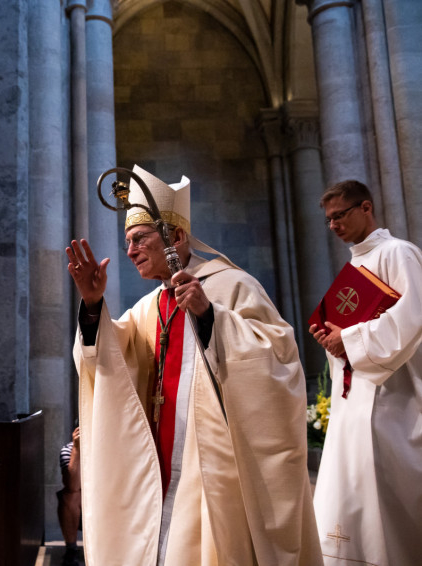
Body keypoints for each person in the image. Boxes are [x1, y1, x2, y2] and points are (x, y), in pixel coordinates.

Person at [65, 165, 320, 565]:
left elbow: (278, 358)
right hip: (158, 457)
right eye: (127, 241)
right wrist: (94, 305)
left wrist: (210, 316)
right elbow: (107, 358)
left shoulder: (232, 285)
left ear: (177, 237)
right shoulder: (149, 306)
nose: (130, 251)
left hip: (210, 460)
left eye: (139, 239)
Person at [309, 179, 422, 565]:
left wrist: (349, 338)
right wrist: (331, 341)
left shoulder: (398, 253)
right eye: (328, 220)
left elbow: (413, 317)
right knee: (349, 488)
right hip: (354, 397)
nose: (334, 225)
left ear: (366, 208)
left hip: (393, 398)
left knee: (385, 495)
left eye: (339, 215)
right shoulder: (356, 264)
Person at [56, 426, 81, 566]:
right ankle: (71, 550)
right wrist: (77, 449)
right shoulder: (68, 449)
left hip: (107, 503)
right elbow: (72, 485)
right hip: (81, 508)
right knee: (69, 496)